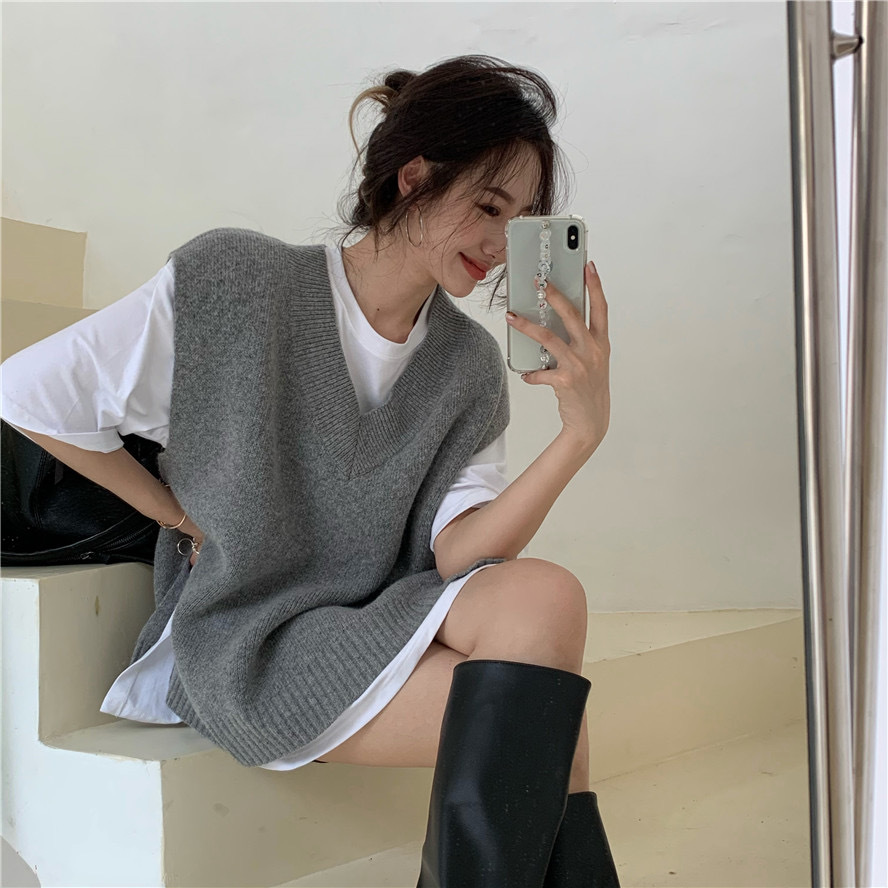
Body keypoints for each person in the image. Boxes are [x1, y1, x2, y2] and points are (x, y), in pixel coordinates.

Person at [0, 55, 618, 887]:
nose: (496, 245)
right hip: (255, 641)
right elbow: (29, 392)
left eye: (519, 223)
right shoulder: (237, 281)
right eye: (487, 207)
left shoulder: (467, 367)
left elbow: (459, 555)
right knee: (551, 725)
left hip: (383, 618)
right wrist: (179, 516)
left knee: (548, 596)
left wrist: (579, 434)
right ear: (414, 178)